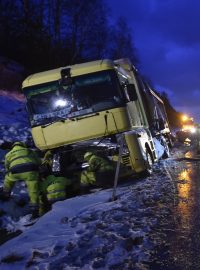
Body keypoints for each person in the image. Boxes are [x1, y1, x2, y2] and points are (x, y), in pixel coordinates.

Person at [2, 142, 41, 218]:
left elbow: (7, 167)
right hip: (30, 171)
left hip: (15, 171)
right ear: (23, 145)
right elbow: (38, 162)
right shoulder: (29, 150)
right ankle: (35, 210)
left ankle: (5, 194)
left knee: (8, 179)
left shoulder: (8, 154)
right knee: (33, 190)